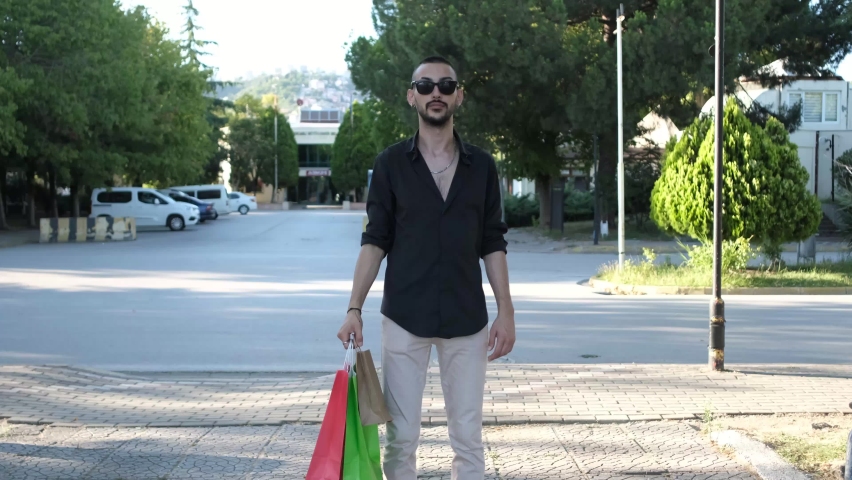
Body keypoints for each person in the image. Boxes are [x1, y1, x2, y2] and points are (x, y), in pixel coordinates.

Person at [337, 56, 516, 480]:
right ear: (411, 96)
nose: (436, 92)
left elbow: (493, 243)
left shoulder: (483, 168)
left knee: (468, 437)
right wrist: (353, 307)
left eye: (446, 84)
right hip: (404, 318)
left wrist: (506, 311)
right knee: (401, 438)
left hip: (467, 320)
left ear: (459, 96)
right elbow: (375, 240)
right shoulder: (390, 165)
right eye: (425, 85)